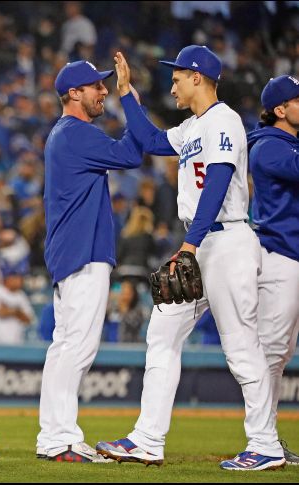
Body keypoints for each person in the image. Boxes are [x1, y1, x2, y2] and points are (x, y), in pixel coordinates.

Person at [96, 47, 285, 471]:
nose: (173, 84)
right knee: (161, 335)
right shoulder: (192, 127)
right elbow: (148, 140)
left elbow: (217, 183)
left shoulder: (225, 121)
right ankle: (147, 439)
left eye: (178, 77)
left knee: (240, 345)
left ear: (198, 77)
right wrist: (126, 93)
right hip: (202, 244)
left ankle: (266, 443)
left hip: (227, 241)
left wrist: (190, 246)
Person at [37, 60, 144, 463]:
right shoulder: (76, 133)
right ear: (74, 94)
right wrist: (128, 95)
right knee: (77, 348)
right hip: (83, 251)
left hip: (74, 250)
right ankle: (59, 439)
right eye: (95, 86)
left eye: (104, 84)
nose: (102, 91)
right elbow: (133, 153)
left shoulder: (67, 133)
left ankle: (56, 435)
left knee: (66, 347)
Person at [247, 75, 299, 465]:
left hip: (290, 257)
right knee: (271, 353)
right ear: (280, 109)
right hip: (281, 257)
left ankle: (267, 439)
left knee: (278, 355)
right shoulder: (268, 146)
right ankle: (261, 442)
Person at [0, 260, 34, 346]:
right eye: (16, 277)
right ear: (7, 278)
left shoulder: (22, 296)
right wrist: (17, 312)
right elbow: (0, 312)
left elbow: (28, 320)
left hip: (16, 346)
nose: (20, 280)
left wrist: (11, 310)